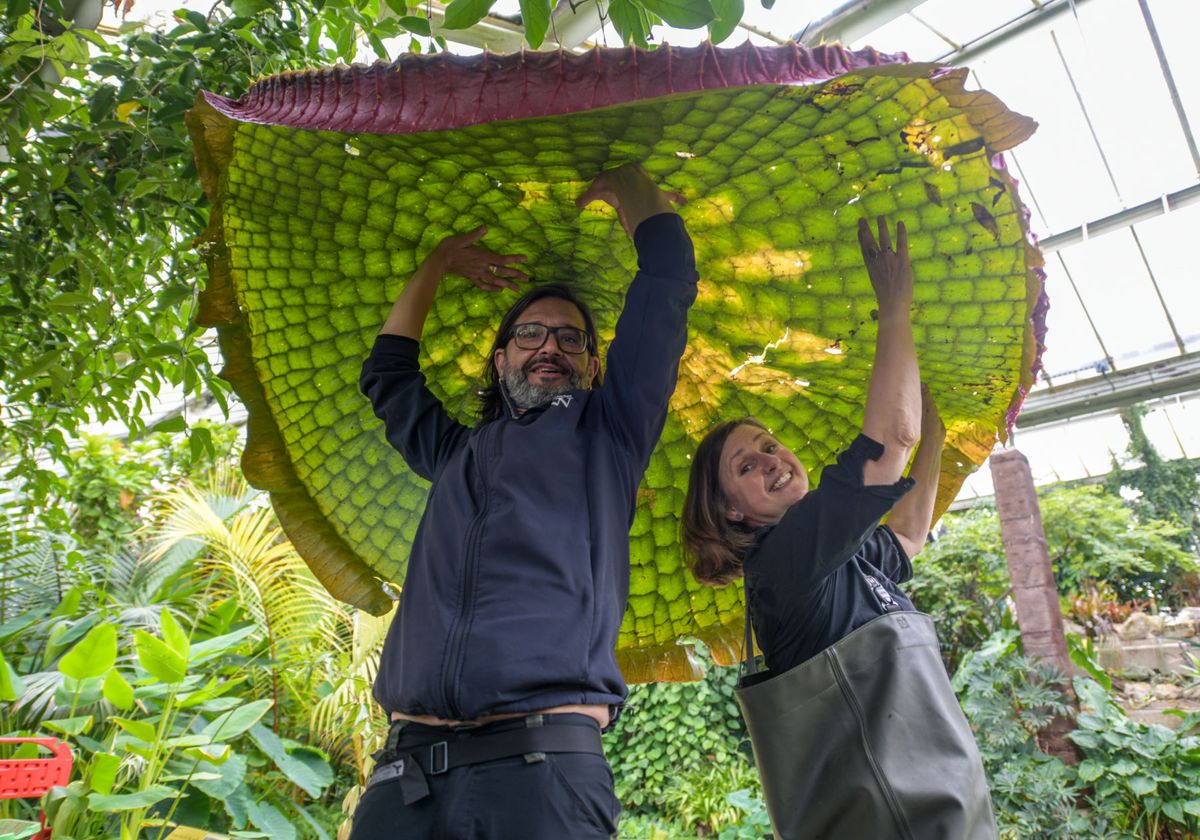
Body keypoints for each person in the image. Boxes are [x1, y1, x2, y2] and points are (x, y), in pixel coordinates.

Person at [350, 164, 697, 839]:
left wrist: (631, 188)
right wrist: (440, 262)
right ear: (500, 357)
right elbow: (387, 373)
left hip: (539, 774)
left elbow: (667, 281)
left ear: (594, 367)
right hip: (406, 778)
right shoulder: (453, 455)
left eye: (571, 338)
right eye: (531, 333)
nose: (550, 346)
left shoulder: (611, 433)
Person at [682, 218, 997, 839]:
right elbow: (889, 444)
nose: (773, 459)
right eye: (747, 466)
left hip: (940, 814)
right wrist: (895, 307)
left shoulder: (837, 558)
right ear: (733, 514)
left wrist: (936, 431)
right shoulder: (785, 562)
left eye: (770, 445)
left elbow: (906, 537)